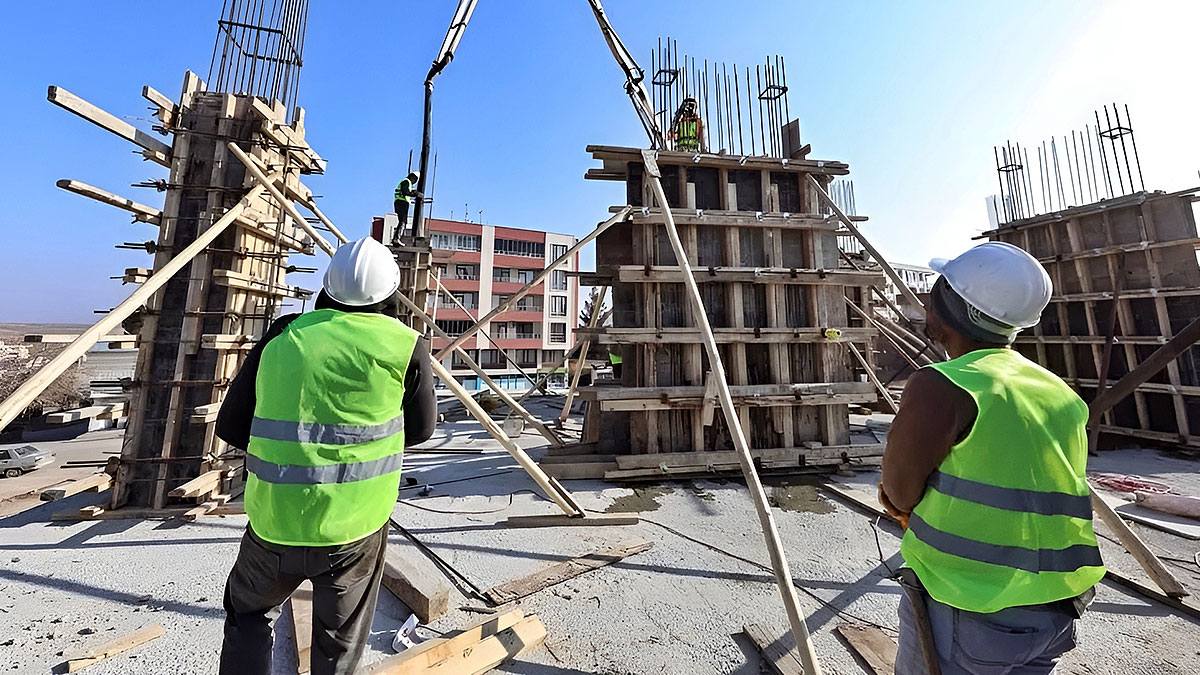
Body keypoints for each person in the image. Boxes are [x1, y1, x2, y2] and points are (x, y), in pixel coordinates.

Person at [880, 242, 1105, 675]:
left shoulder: (944, 386)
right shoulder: (1058, 390)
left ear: (949, 309)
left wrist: (901, 504)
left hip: (972, 607)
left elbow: (899, 492)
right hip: (1057, 610)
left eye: (936, 290)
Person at [216, 237, 437, 675]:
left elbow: (230, 427)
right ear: (392, 292)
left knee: (248, 618)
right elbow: (422, 430)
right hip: (353, 528)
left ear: (327, 288)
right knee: (339, 646)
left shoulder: (282, 337)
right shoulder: (406, 345)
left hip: (273, 521)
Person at [393, 171, 419, 243]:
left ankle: (396, 238)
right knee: (403, 221)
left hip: (400, 202)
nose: (415, 182)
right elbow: (405, 192)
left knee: (403, 221)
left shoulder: (407, 183)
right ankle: (396, 238)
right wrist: (414, 194)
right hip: (401, 202)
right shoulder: (406, 182)